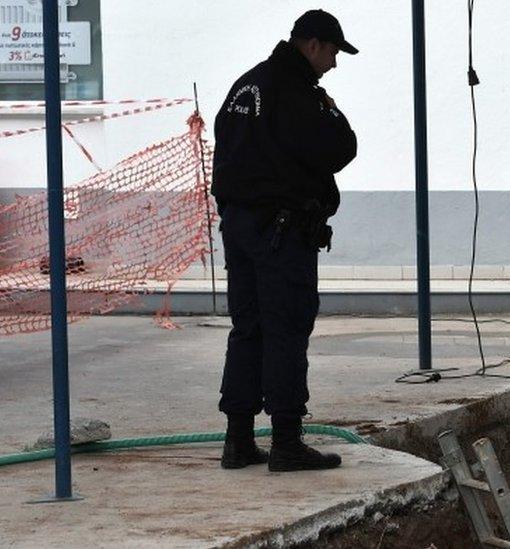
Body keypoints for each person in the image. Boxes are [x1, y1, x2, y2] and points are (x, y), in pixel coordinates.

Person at [210, 9, 358, 472]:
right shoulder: (297, 93)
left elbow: (225, 154)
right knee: (286, 328)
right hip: (281, 232)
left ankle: (237, 441)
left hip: (239, 227)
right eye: (333, 51)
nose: (334, 63)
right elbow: (339, 150)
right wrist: (333, 112)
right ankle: (287, 442)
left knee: (248, 327)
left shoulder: (246, 85)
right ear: (312, 44)